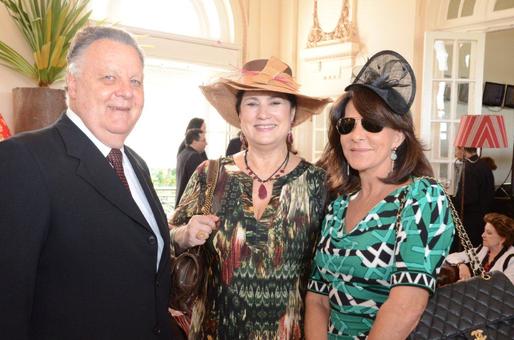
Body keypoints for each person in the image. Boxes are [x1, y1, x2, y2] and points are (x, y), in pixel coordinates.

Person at [0, 26, 175, 339]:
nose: (126, 91)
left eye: (135, 81)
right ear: (73, 84)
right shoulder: (24, 159)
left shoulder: (136, 164)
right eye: (109, 77)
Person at [169, 56, 331, 339]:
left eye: (275, 102)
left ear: (292, 114)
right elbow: (168, 236)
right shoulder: (210, 175)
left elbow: (327, 279)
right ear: (239, 114)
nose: (263, 113)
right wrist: (185, 234)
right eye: (252, 103)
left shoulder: (318, 184)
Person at [305, 50, 455, 339]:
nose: (356, 135)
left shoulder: (422, 198)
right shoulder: (338, 207)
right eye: (347, 125)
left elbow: (406, 305)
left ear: (398, 136)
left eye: (372, 124)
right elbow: (317, 298)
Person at [445, 212, 514, 284]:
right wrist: (461, 265)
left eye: (489, 233)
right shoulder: (482, 249)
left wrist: (468, 285)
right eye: (484, 231)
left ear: (503, 239)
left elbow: (505, 288)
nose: (482, 235)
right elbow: (451, 257)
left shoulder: (511, 259)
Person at [453, 146, 495, 247]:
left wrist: (453, 204)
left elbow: (468, 198)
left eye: (456, 150)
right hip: (483, 216)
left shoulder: (470, 167)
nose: (455, 154)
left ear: (462, 149)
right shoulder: (484, 165)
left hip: (471, 220)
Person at [175, 128, 208, 206]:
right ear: (194, 141)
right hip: (189, 206)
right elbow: (199, 185)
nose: (206, 143)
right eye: (203, 140)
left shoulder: (182, 154)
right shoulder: (194, 156)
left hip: (181, 202)